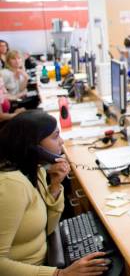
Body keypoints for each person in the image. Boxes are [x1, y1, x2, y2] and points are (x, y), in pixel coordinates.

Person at [0, 110, 109, 275]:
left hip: (46, 261)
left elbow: (48, 228)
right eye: (55, 136)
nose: (61, 141)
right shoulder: (11, 186)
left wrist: (55, 185)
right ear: (34, 145)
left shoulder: (36, 170)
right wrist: (60, 274)